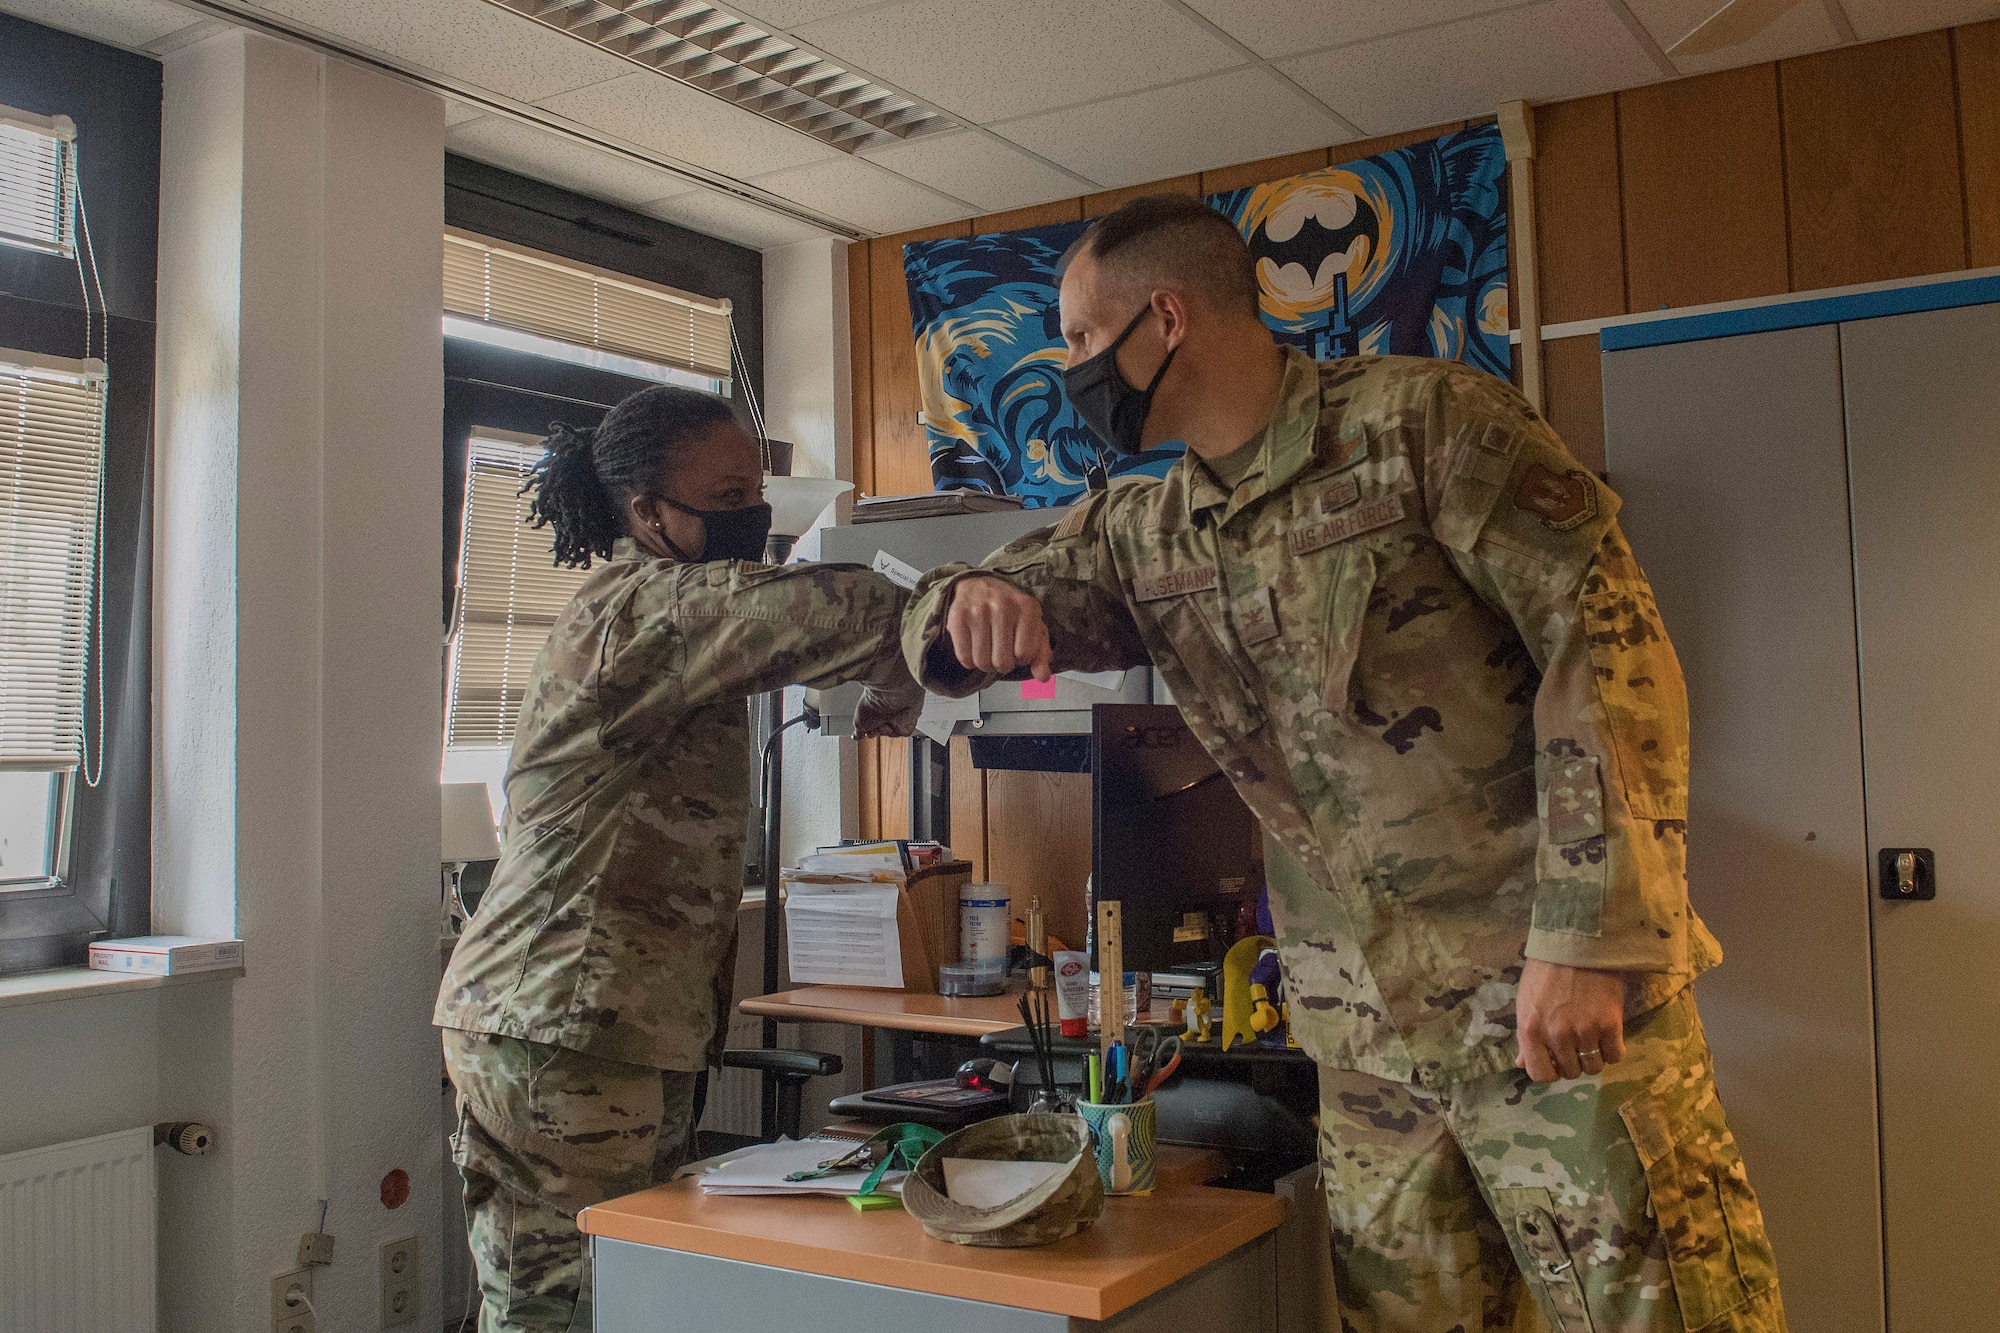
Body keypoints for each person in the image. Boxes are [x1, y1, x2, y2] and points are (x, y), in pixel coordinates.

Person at [903, 195, 1786, 1332]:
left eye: (1079, 337)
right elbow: (969, 598)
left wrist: (1589, 936)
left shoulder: (1425, 425)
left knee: (1661, 1312)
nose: (1068, 368)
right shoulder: (1148, 527)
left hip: (1542, 998)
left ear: (1162, 319)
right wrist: (961, 599)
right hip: (1367, 1042)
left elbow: (1604, 649)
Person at [435, 385, 922, 1333]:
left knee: (620, 1291)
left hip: (594, 1026)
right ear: (647, 513)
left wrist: (895, 671)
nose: (756, 512)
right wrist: (946, 622)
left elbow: (807, 626)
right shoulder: (644, 610)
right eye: (728, 492)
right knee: (569, 1307)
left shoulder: (665, 611)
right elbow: (828, 608)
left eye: (759, 486)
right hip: (563, 1026)